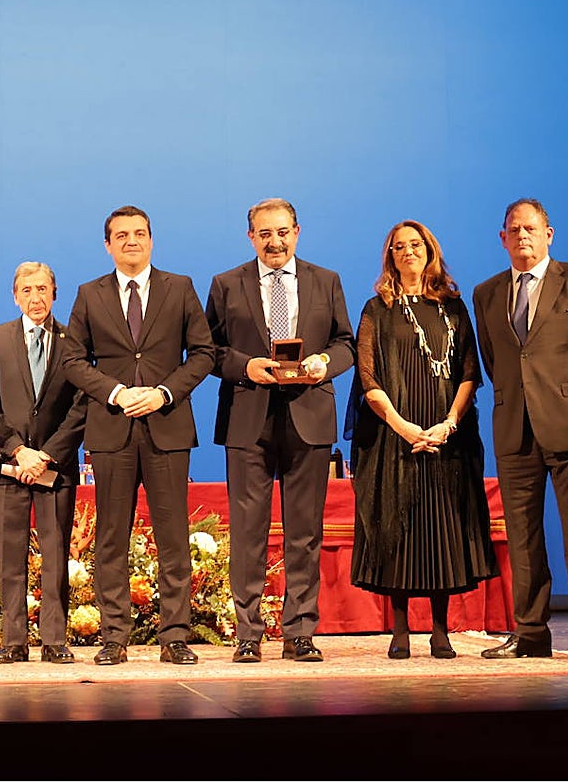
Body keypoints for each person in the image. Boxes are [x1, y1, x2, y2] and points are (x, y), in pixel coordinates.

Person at [60, 205, 214, 666]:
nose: (132, 241)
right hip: (112, 430)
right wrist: (116, 393)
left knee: (173, 536)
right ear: (107, 245)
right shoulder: (89, 294)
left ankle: (175, 637)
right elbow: (72, 361)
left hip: (167, 428)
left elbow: (204, 353)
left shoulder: (180, 288)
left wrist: (166, 393)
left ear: (152, 240)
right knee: (111, 538)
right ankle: (114, 637)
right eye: (121, 235)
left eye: (140, 233)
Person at [204, 198, 355, 663]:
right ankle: (247, 632)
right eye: (265, 233)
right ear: (250, 236)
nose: (276, 241)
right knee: (248, 531)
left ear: (298, 232)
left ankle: (300, 631)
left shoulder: (325, 280)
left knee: (304, 531)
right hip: (248, 418)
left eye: (284, 231)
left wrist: (323, 363)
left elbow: (346, 343)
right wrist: (247, 366)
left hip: (309, 417)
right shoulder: (227, 284)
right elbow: (208, 350)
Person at [473, 198, 568, 662]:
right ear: (502, 238)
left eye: (531, 229)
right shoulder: (488, 293)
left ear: (549, 234)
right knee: (524, 538)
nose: (523, 237)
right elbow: (496, 363)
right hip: (516, 430)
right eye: (514, 230)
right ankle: (531, 633)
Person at [345, 220, 497, 659]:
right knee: (398, 530)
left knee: (442, 530)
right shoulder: (377, 308)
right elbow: (367, 374)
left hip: (448, 438)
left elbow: (470, 372)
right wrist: (402, 426)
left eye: (415, 245)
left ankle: (439, 630)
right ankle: (398, 630)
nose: (407, 252)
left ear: (430, 251)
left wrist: (448, 424)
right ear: (389, 256)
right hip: (395, 438)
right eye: (398, 247)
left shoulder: (454, 307)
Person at [0, 261, 87, 665]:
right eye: (26, 290)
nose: (35, 297)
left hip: (55, 468)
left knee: (55, 554)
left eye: (42, 289)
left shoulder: (73, 341)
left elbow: (81, 405)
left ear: (55, 293)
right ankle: (13, 640)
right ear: (14, 295)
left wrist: (48, 454)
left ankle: (55, 640)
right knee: (10, 556)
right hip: (9, 465)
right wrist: (16, 450)